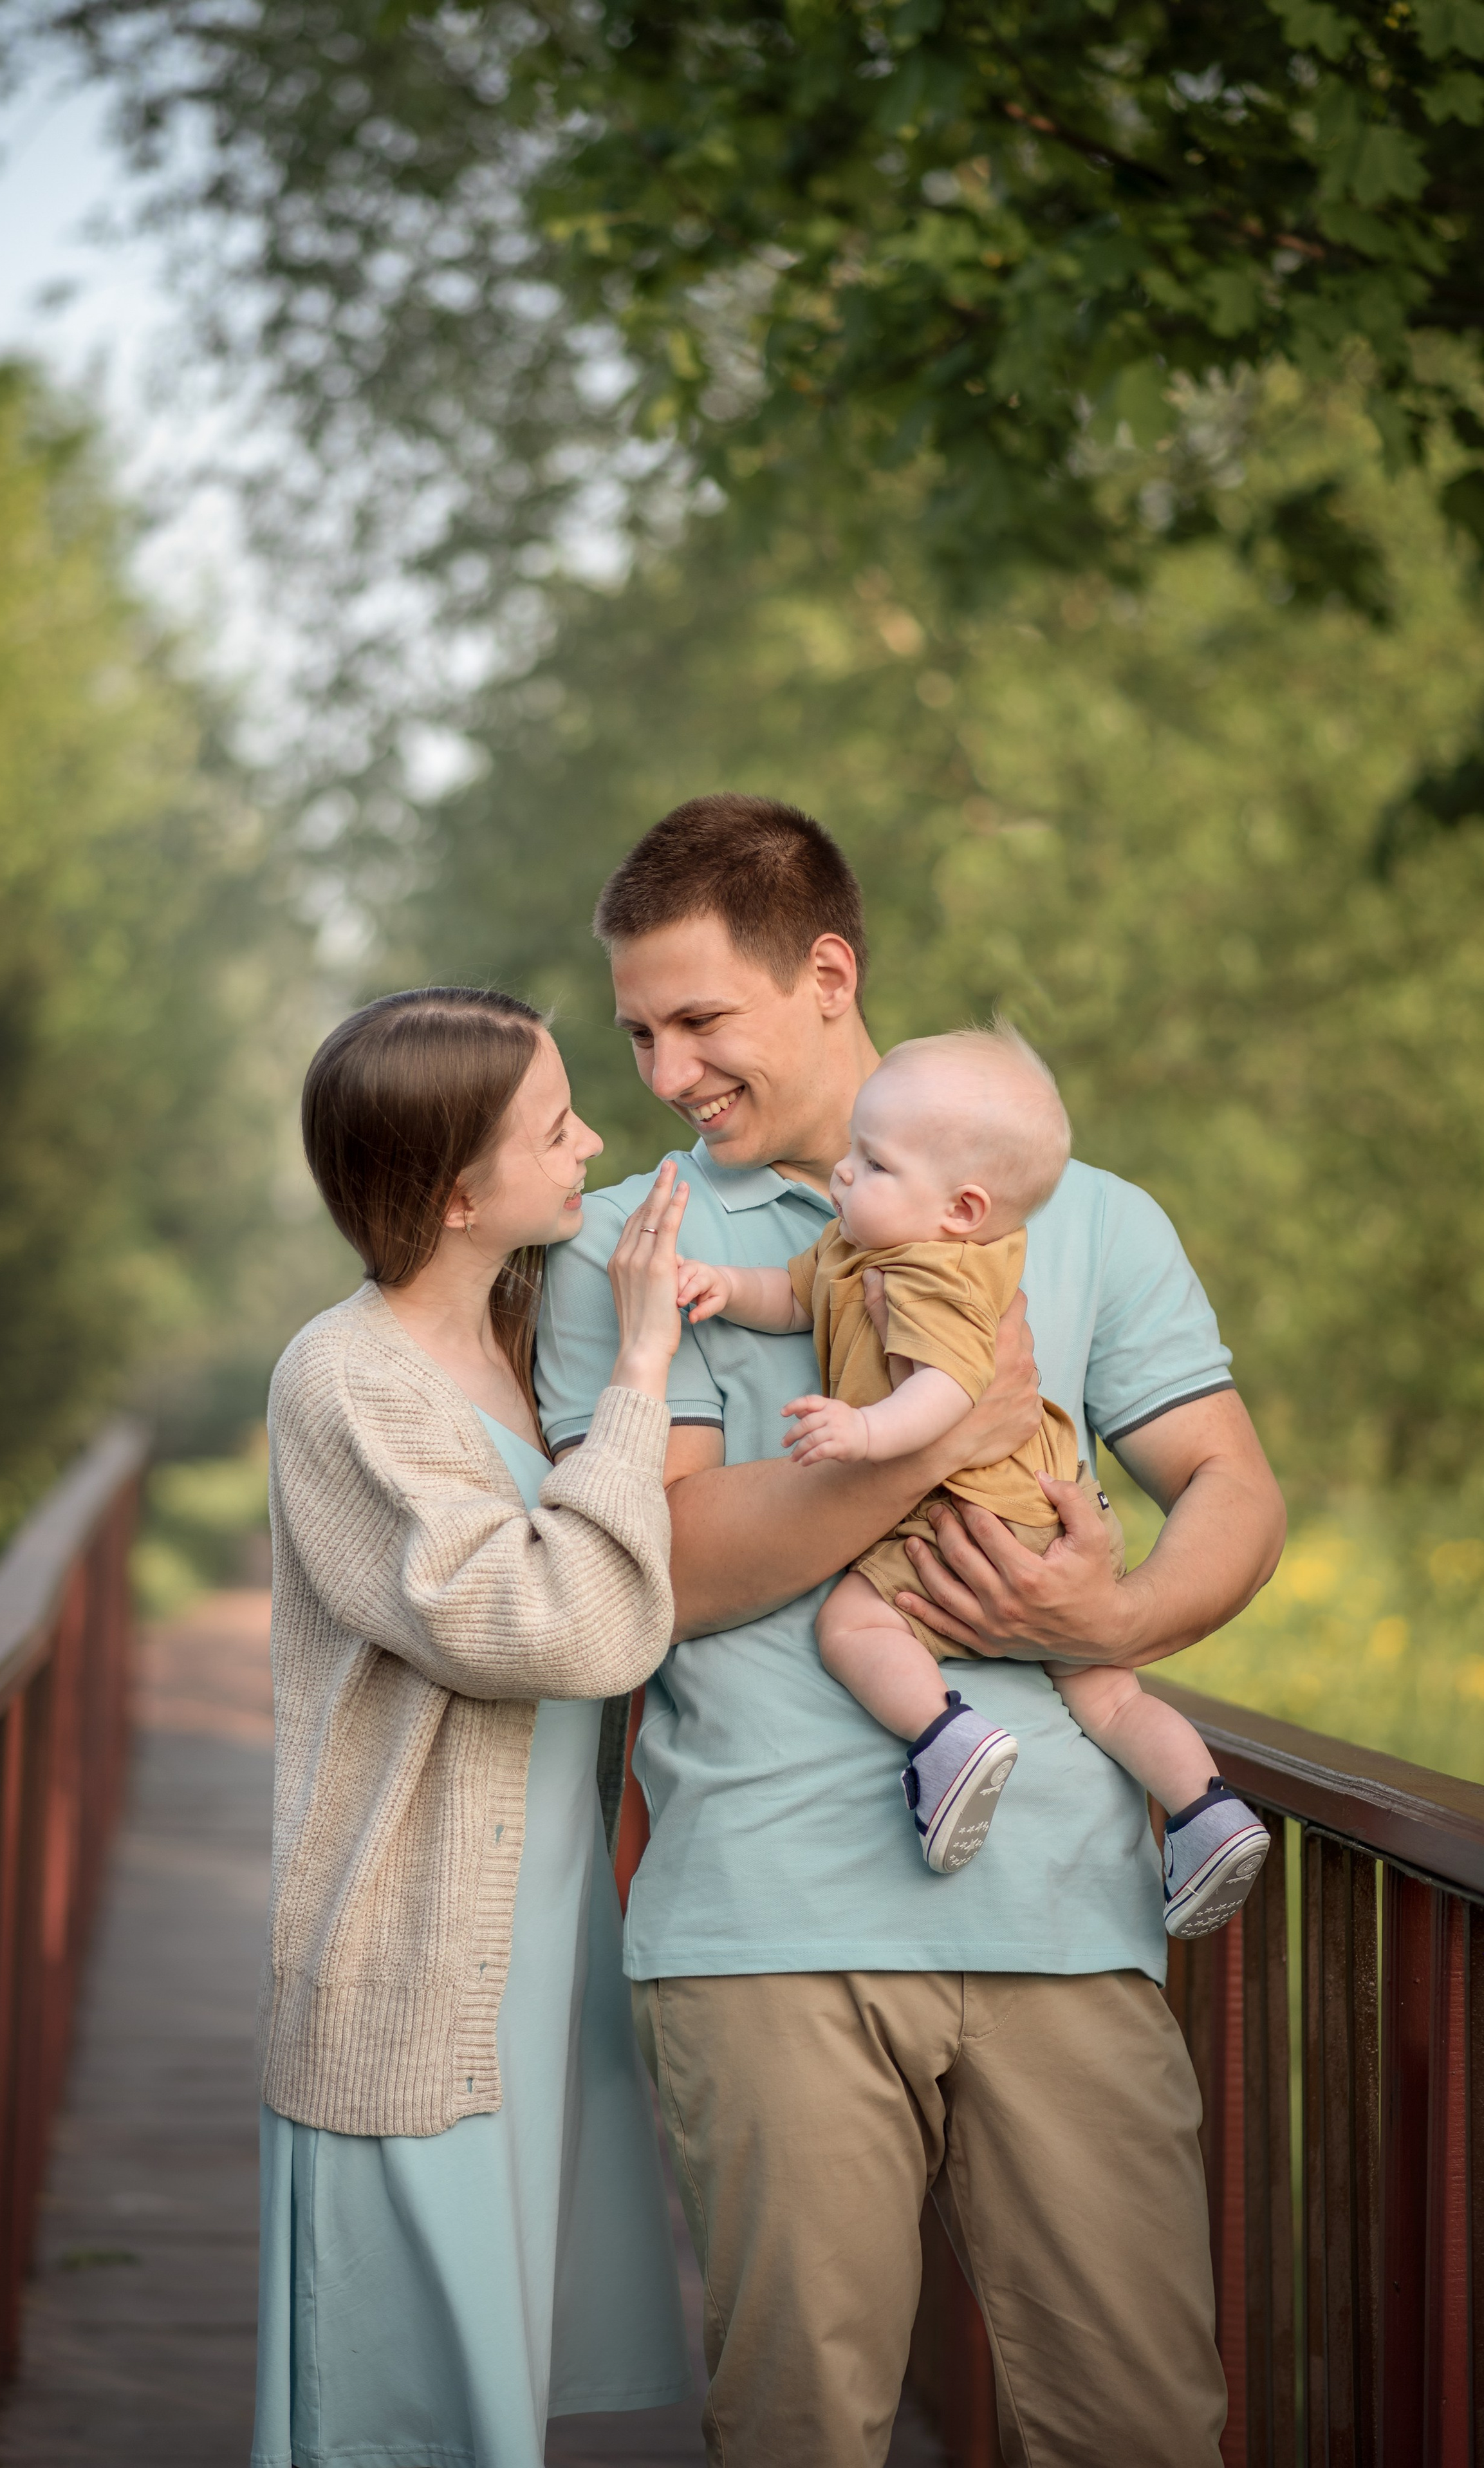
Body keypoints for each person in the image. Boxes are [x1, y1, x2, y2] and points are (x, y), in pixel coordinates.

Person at [534, 795, 1288, 2468]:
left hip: (1075, 1920)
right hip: (765, 1928)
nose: (665, 1074)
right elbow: (658, 1564)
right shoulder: (632, 1248)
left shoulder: (1090, 1214)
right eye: (637, 1033)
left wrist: (1118, 1608)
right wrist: (946, 1440)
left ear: (825, 973)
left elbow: (1230, 1485)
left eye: (700, 1020)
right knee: (799, 2434)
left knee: (1146, 2428)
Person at [251, 987, 693, 2468]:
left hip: (541, 1936)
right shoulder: (345, 1377)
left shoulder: (517, 1323)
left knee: (497, 2381)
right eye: (553, 1126)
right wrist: (640, 1378)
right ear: (452, 1192)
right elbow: (543, 1626)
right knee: (407, 2407)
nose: (590, 1143)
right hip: (414, 1948)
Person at [676, 1024, 1272, 1934]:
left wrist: (865, 1428)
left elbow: (955, 1390)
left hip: (966, 1515)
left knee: (854, 1622)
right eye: (853, 1153)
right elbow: (793, 1293)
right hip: (1042, 1521)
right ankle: (1205, 1811)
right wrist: (723, 1283)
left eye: (873, 1165)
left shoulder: (933, 1273)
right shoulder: (859, 1247)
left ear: (961, 1209)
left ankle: (945, 1739)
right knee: (1108, 1691)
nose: (843, 1175)